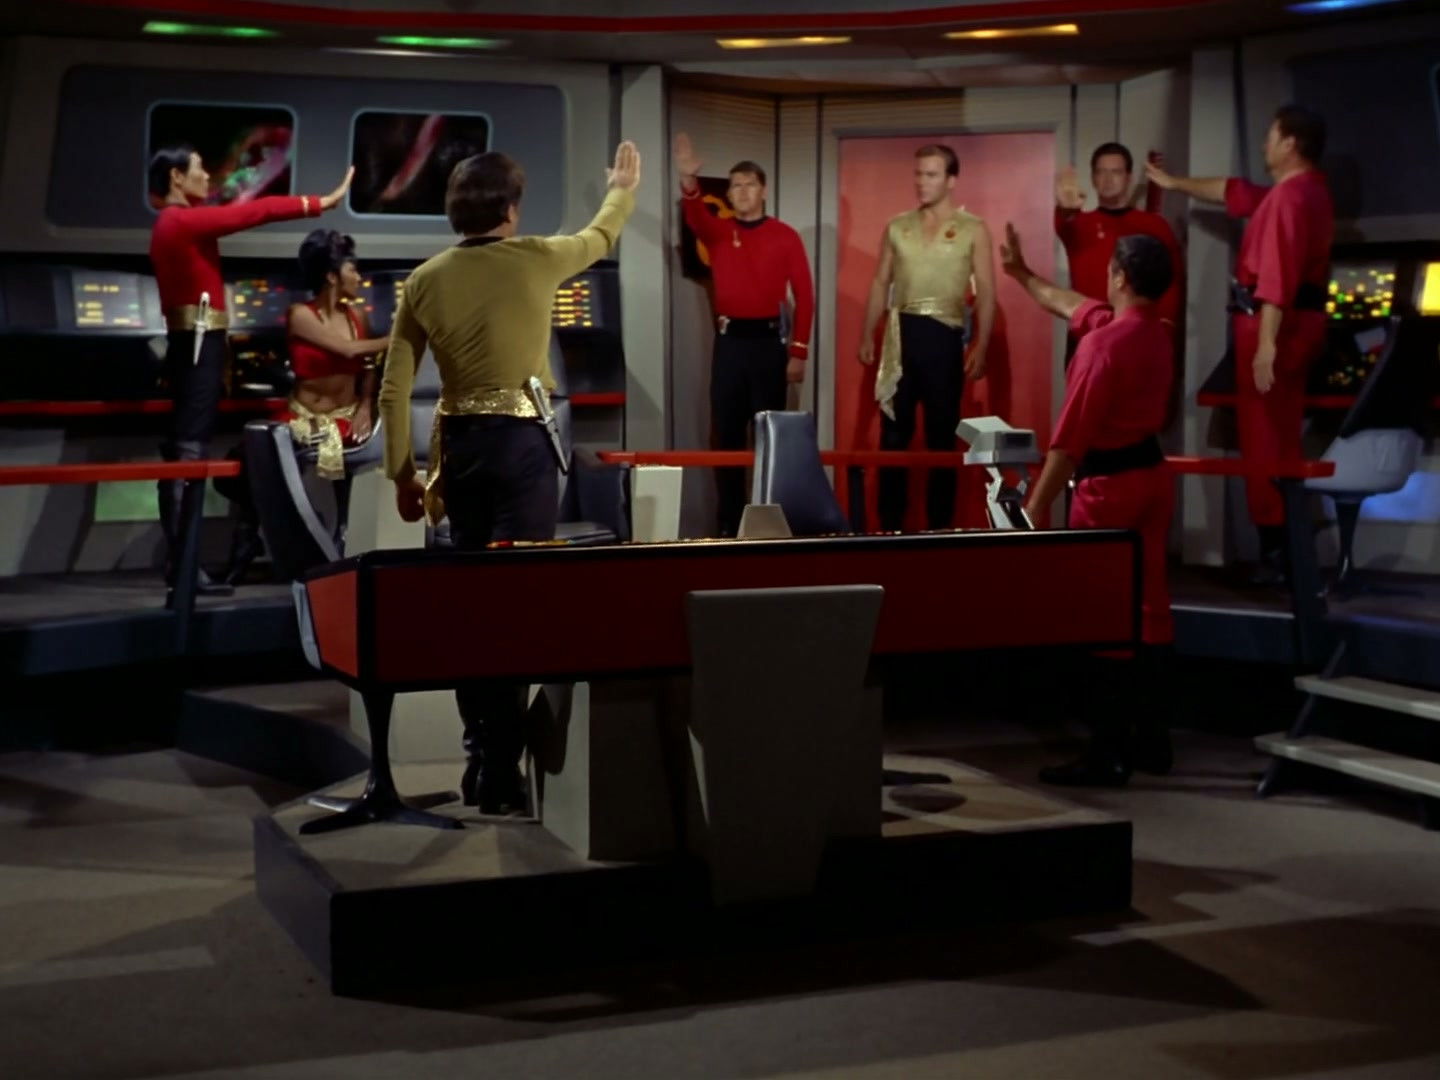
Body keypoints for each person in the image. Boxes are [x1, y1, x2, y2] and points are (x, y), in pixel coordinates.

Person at [377, 141, 641, 815]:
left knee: (474, 607)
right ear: (512, 209)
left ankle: (481, 758)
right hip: (524, 448)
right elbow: (602, 235)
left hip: (459, 452)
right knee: (516, 603)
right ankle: (501, 770)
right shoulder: (537, 257)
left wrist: (403, 475)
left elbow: (393, 387)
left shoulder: (425, 279)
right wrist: (620, 188)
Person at [1001, 223, 1176, 787]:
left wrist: (1032, 511)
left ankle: (1107, 752)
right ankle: (1153, 740)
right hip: (1153, 477)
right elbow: (1068, 303)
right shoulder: (1157, 333)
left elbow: (1068, 444)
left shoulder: (1102, 347)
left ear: (1120, 278)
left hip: (1109, 490)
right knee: (1149, 607)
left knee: (1102, 611)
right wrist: (1021, 273)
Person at [147, 145, 351, 594]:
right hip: (197, 344)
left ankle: (183, 568)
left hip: (200, 343)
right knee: (188, 453)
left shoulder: (176, 224)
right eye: (199, 169)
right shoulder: (177, 221)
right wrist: (319, 203)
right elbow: (255, 212)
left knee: (188, 450)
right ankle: (183, 571)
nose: (207, 177)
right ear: (177, 178)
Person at [1147, 105, 1334, 584]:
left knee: (1264, 437)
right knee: (1278, 435)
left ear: (1290, 143)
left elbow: (1278, 277)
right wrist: (1173, 183)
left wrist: (1267, 343)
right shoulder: (1306, 192)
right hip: (1295, 324)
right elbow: (1233, 192)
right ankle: (1287, 547)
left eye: (1271, 135)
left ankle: (1279, 551)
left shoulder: (1290, 197)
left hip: (1273, 327)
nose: (1264, 144)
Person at [216, 230, 390, 579]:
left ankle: (343, 552)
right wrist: (402, 334)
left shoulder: (358, 316)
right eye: (352, 269)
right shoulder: (300, 314)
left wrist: (365, 406)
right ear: (331, 276)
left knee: (359, 470)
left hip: (346, 417)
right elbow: (347, 350)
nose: (359, 277)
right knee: (261, 458)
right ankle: (248, 544)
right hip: (303, 417)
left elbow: (369, 364)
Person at [674, 133, 815, 537]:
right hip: (730, 345)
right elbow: (696, 217)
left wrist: (799, 351)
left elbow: (805, 296)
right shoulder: (719, 232)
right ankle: (728, 524)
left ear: (763, 190)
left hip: (769, 345)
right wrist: (688, 181)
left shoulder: (785, 235)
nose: (741, 192)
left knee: (769, 435)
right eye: (735, 186)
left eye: (749, 184)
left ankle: (768, 518)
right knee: (727, 434)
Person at [858, 144, 996, 531]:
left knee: (941, 436)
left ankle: (940, 528)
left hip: (944, 337)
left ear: (951, 180)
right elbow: (880, 281)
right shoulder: (897, 226)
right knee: (893, 437)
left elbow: (987, 290)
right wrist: (867, 332)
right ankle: (890, 527)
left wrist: (982, 343)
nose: (922, 182)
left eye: (931, 174)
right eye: (918, 174)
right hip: (900, 336)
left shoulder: (973, 229)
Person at [1055, 142, 1184, 363]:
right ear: (1093, 178)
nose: (1108, 179)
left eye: (1115, 172)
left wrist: (1166, 327)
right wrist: (1065, 208)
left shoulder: (1154, 225)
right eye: (1101, 172)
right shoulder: (1079, 224)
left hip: (1138, 338)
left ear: (1128, 177)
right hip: (1086, 338)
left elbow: (1172, 281)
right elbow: (1063, 222)